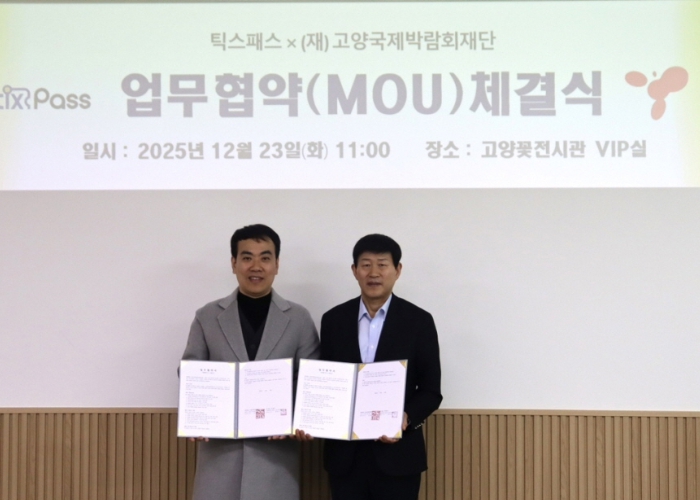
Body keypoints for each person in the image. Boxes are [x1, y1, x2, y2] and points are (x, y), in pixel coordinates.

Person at [181, 224, 320, 500]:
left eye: (265, 258)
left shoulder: (299, 318)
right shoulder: (207, 316)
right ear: (234, 263)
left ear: (277, 264)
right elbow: (190, 372)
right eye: (247, 257)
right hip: (219, 461)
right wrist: (195, 413)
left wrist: (297, 417)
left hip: (275, 461)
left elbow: (310, 381)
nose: (256, 266)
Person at [316, 233, 442, 500]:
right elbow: (325, 382)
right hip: (345, 458)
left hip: (398, 456)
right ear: (354, 270)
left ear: (398, 270)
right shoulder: (333, 320)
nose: (374, 273)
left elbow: (431, 390)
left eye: (382, 264)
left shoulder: (419, 321)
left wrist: (406, 416)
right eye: (366, 265)